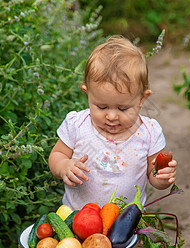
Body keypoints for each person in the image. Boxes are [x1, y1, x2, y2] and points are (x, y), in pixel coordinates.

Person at [48, 35, 177, 210]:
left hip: (126, 224)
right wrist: (63, 166)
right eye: (101, 107)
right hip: (77, 220)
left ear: (142, 99)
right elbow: (56, 156)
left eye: (122, 109)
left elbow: (154, 177)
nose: (111, 116)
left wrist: (162, 177)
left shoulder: (149, 132)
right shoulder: (77, 125)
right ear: (87, 94)